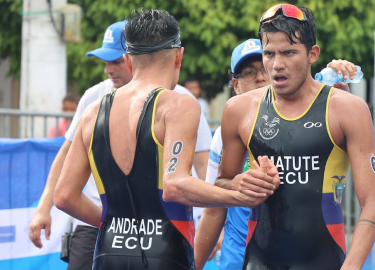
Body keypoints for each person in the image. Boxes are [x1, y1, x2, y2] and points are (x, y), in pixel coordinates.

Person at [53, 9, 278, 269]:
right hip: (165, 253)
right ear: (178, 56)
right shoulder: (177, 105)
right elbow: (175, 185)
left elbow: (64, 197)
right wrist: (240, 197)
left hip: (107, 252)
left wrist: (111, 224)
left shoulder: (93, 112)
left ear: (128, 60)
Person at [28, 19, 212, 270]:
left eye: (114, 61)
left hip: (114, 235)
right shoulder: (96, 97)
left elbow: (202, 163)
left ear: (130, 59)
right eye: (104, 61)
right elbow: (65, 156)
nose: (107, 70)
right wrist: (43, 207)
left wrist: (214, 218)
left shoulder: (176, 102)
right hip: (114, 226)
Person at [213, 4, 375, 269]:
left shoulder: (347, 109)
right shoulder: (239, 110)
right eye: (269, 54)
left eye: (289, 52)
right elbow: (221, 183)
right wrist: (239, 184)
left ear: (312, 54)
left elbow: (373, 203)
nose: (276, 65)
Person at [195, 38, 359, 270]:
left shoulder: (312, 120)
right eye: (248, 72)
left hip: (306, 257)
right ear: (236, 85)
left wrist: (340, 100)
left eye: (264, 66)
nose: (261, 76)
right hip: (239, 258)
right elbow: (213, 209)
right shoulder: (225, 133)